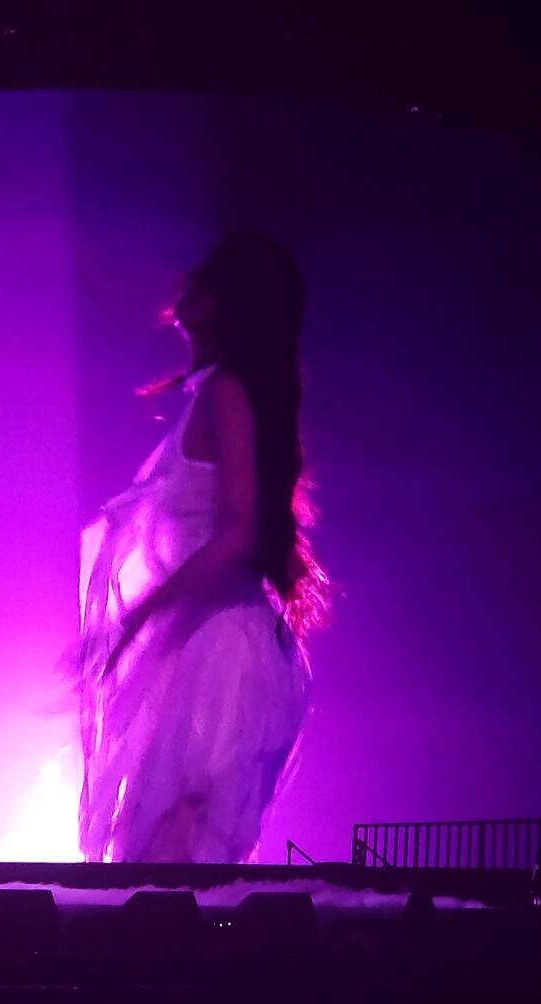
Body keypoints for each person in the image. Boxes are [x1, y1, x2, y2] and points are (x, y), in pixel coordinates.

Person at [76, 227, 330, 863]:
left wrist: (143, 613)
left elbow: (239, 530)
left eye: (207, 275)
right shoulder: (213, 394)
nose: (186, 282)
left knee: (173, 858)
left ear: (228, 299)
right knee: (160, 855)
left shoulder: (227, 395)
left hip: (220, 654)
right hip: (201, 641)